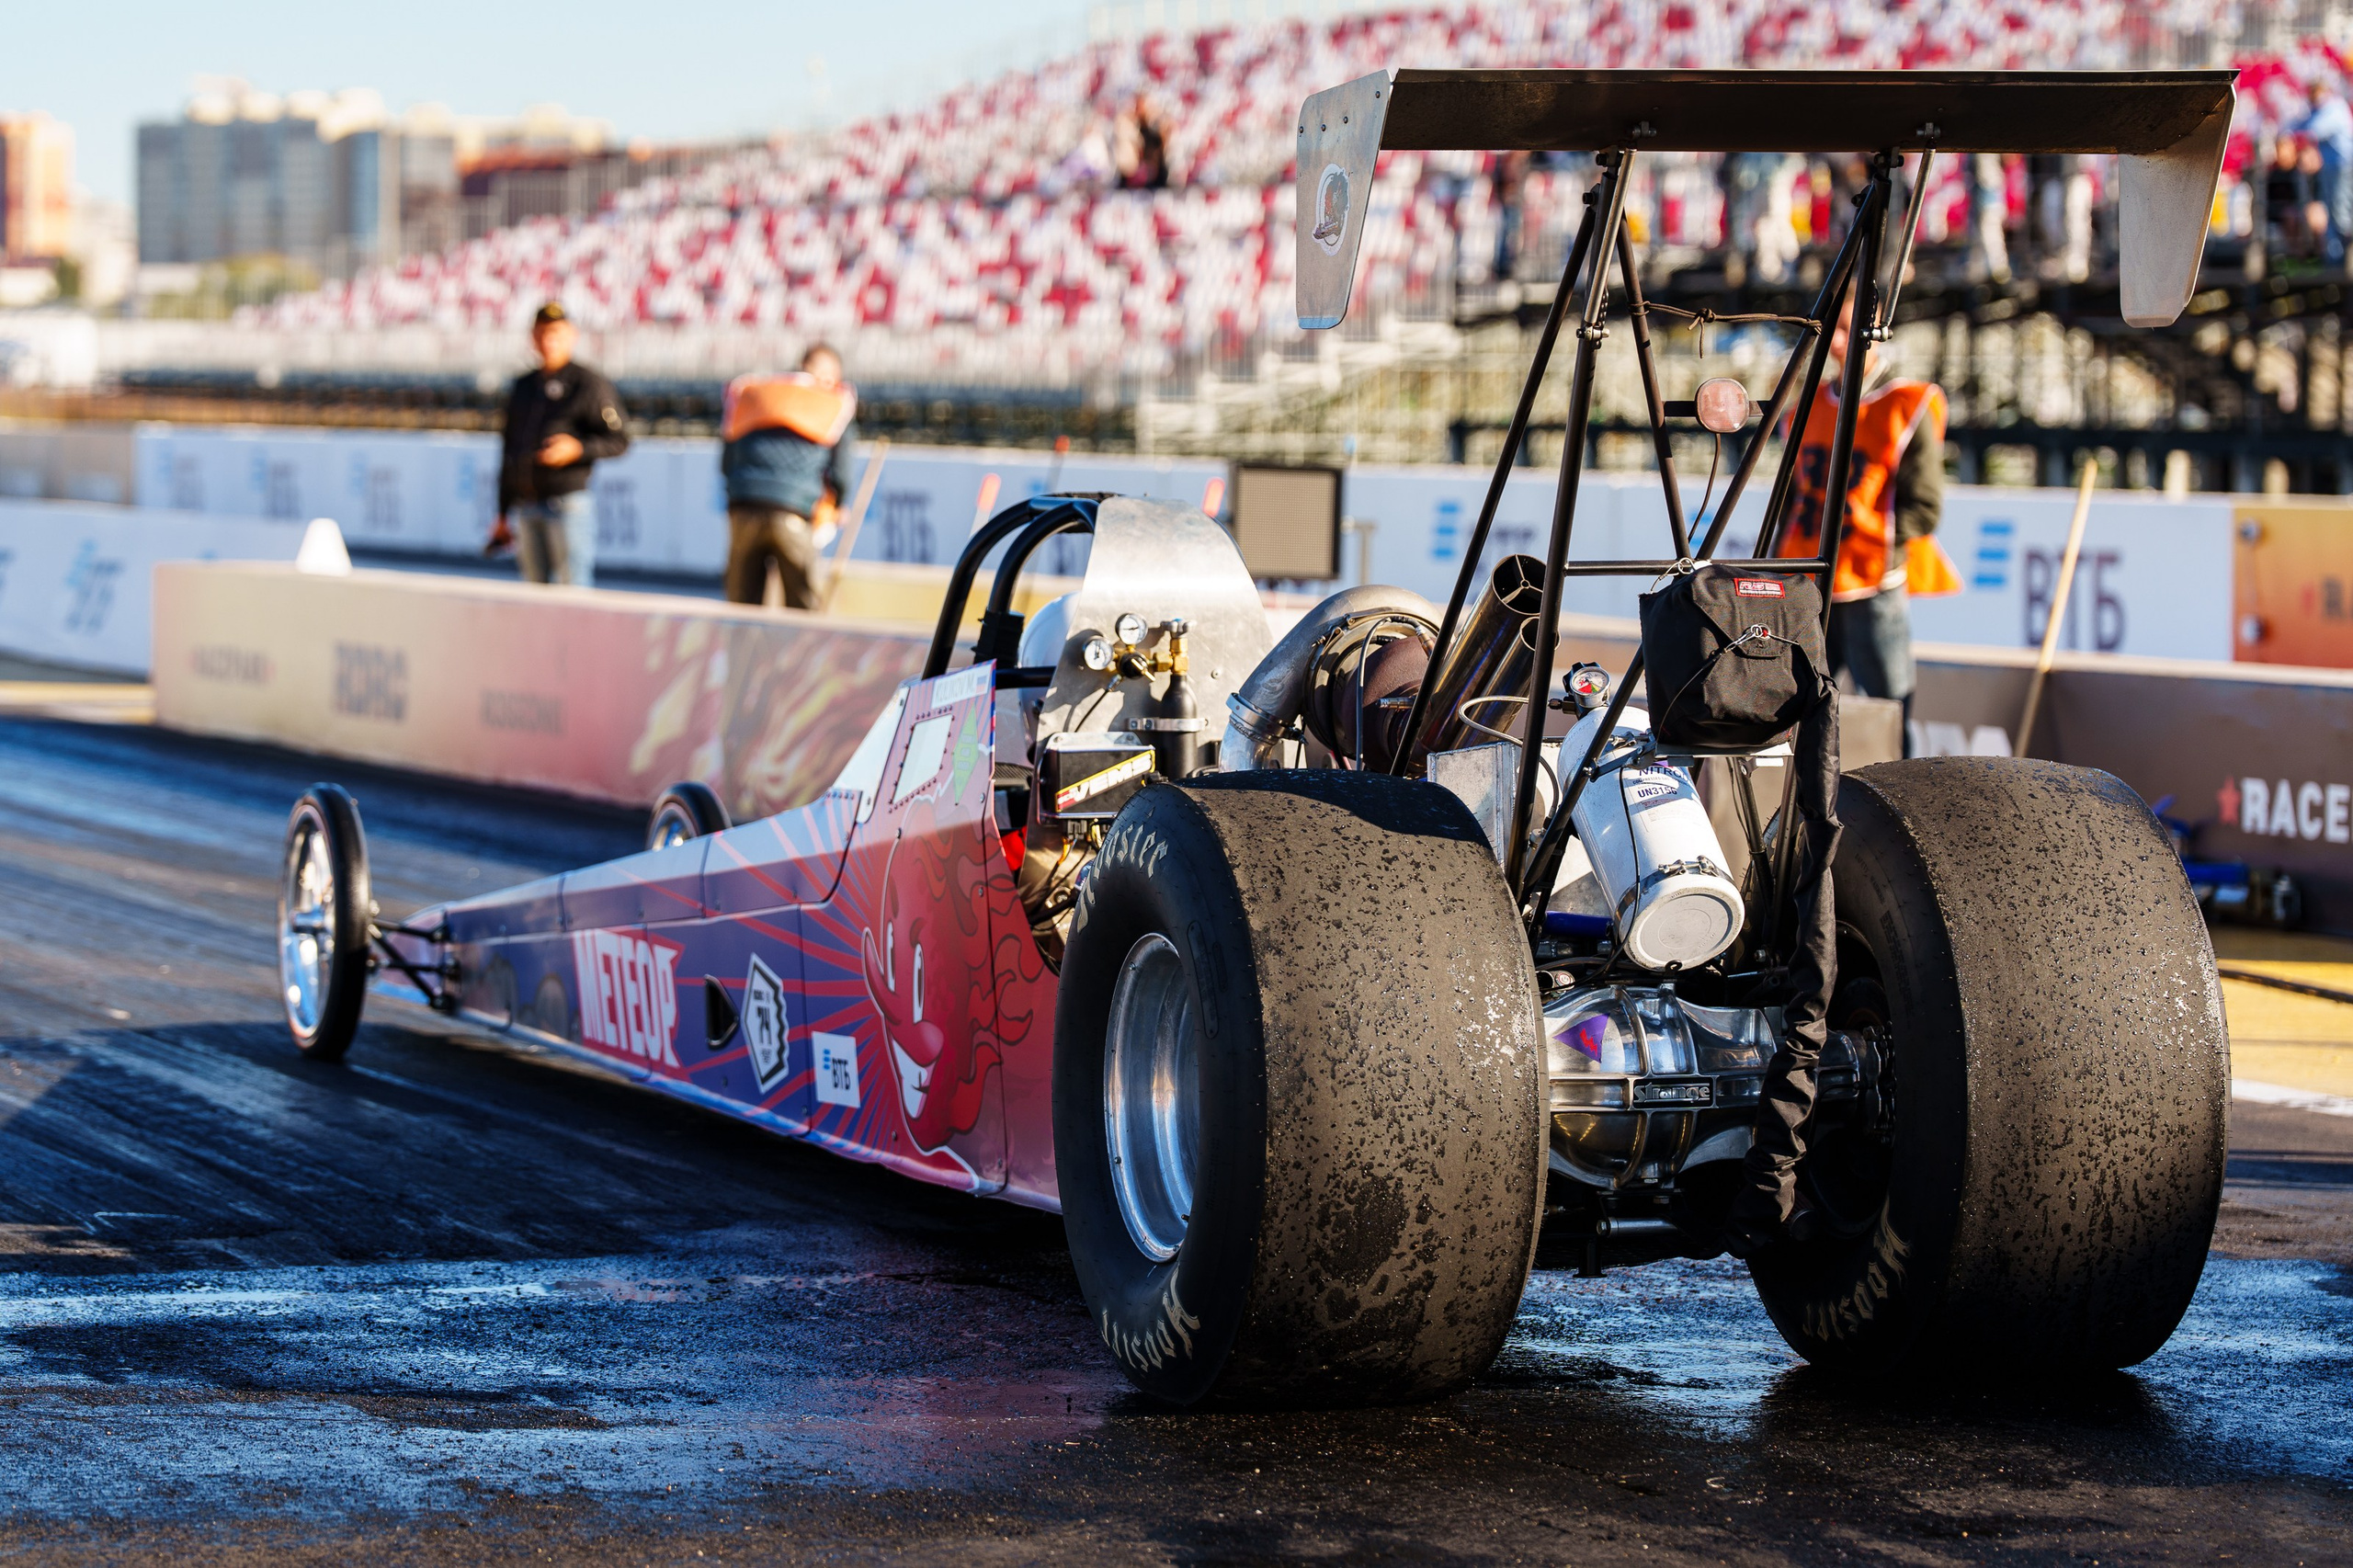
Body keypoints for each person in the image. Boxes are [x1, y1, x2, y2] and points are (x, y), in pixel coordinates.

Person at [1773, 296, 1961, 750]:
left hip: (1872, 583)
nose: (1835, 341)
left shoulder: (1908, 404)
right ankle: (1802, 813)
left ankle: (1900, 816)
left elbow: (1924, 507)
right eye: (1830, 328)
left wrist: (1876, 543)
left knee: (1890, 713)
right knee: (1798, 713)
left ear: (1874, 329)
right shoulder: (1807, 407)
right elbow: (1792, 501)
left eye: (1844, 328)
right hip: (1810, 584)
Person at [491, 301, 629, 586]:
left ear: (572, 335)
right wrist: (503, 512)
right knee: (535, 596)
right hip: (527, 505)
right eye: (541, 332)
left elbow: (619, 439)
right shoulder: (524, 386)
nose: (548, 340)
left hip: (567, 502)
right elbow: (509, 451)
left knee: (572, 592)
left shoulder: (588, 383)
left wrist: (577, 449)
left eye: (555, 332)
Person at [720, 344, 858, 609]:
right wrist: (838, 503)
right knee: (802, 609)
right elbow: (841, 469)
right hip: (794, 509)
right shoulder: (832, 400)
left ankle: (741, 652)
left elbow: (726, 460)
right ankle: (799, 653)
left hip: (743, 506)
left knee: (742, 611)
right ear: (826, 372)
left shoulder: (752, 391)